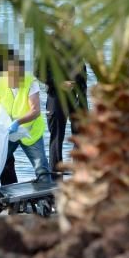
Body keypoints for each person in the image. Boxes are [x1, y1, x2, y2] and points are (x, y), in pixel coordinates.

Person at [0, 55, 52, 184]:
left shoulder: (31, 81)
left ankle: (48, 200)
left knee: (41, 168)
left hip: (30, 131)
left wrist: (18, 122)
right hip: (8, 131)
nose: (13, 80)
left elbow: (35, 110)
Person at [43, 12, 88, 173]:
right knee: (56, 137)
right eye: (63, 21)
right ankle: (56, 175)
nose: (66, 25)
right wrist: (58, 83)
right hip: (57, 93)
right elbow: (38, 70)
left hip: (78, 93)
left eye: (69, 21)